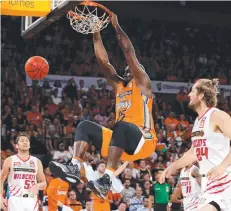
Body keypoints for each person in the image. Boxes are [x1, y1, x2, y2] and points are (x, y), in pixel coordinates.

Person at [49, 12, 157, 199]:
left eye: (130, 67)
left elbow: (129, 52)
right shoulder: (119, 86)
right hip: (121, 143)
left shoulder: (142, 83)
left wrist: (116, 27)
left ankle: (106, 180)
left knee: (121, 126)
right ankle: (74, 165)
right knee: (85, 126)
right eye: (125, 69)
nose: (127, 69)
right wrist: (96, 33)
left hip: (144, 140)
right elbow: (103, 61)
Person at [161, 78, 231, 211]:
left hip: (223, 181)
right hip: (207, 184)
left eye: (192, 91)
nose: (188, 95)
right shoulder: (198, 122)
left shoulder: (217, 115)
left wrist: (223, 165)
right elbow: (194, 153)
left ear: (201, 95)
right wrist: (173, 166)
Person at [1, 133, 47, 211]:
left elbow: (44, 184)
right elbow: (0, 180)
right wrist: (0, 197)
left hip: (31, 199)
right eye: (22, 141)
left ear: (29, 145)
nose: (25, 142)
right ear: (17, 146)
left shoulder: (37, 162)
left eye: (27, 141)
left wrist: (37, 186)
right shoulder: (10, 160)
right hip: (15, 199)